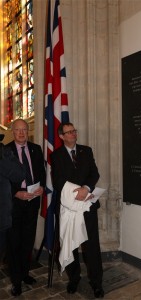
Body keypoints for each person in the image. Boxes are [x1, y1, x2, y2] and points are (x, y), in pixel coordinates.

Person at [50, 122, 104, 298]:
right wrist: (77, 192)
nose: (73, 134)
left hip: (87, 205)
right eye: (69, 132)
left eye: (74, 131)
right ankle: (74, 278)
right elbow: (58, 180)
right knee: (70, 244)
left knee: (92, 246)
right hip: (69, 206)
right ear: (61, 136)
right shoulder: (56, 156)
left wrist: (86, 188)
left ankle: (96, 282)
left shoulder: (86, 151)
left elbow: (94, 174)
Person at [6, 119, 46, 297]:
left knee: (28, 241)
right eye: (18, 130)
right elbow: (2, 179)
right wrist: (16, 193)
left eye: (24, 129)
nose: (21, 133)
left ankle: (25, 274)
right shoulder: (5, 151)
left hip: (32, 202)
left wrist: (42, 187)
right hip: (14, 203)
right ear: (13, 132)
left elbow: (42, 173)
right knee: (14, 243)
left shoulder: (36, 149)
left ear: (28, 130)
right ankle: (16, 281)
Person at [0, 134, 25, 261]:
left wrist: (5, 155)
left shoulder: (3, 156)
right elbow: (19, 175)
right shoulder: (4, 155)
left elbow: (19, 175)